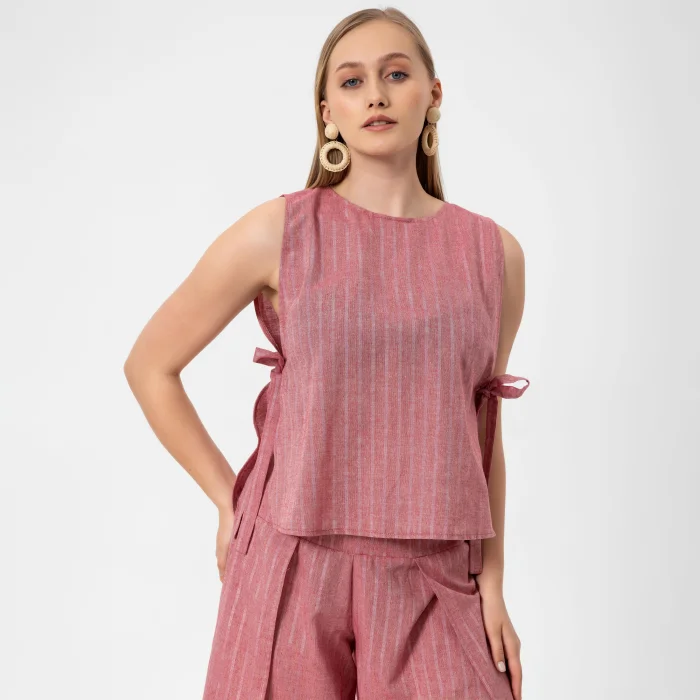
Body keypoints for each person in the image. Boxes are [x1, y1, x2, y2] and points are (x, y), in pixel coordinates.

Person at [124, 7, 530, 700]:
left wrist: (491, 581)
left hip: (437, 574)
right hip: (290, 563)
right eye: (351, 81)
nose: (375, 95)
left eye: (395, 74)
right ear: (327, 112)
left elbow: (484, 429)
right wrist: (229, 501)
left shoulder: (493, 255)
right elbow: (150, 366)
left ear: (432, 94)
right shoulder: (279, 231)